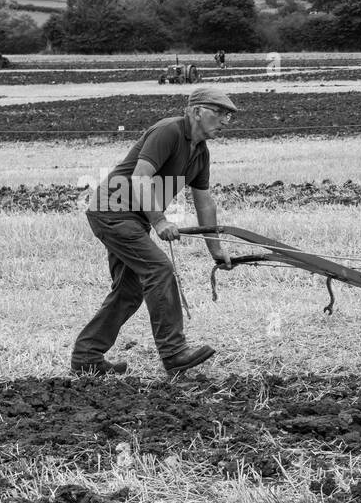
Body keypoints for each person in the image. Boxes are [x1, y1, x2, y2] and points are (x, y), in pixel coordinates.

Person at [70, 87, 238, 375]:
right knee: (159, 270)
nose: (225, 120)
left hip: (133, 218)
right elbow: (140, 177)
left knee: (129, 290)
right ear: (197, 111)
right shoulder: (168, 131)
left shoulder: (200, 153)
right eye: (219, 112)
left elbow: (204, 202)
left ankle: (87, 356)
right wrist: (160, 221)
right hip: (111, 209)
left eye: (228, 116)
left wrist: (216, 249)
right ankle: (173, 353)